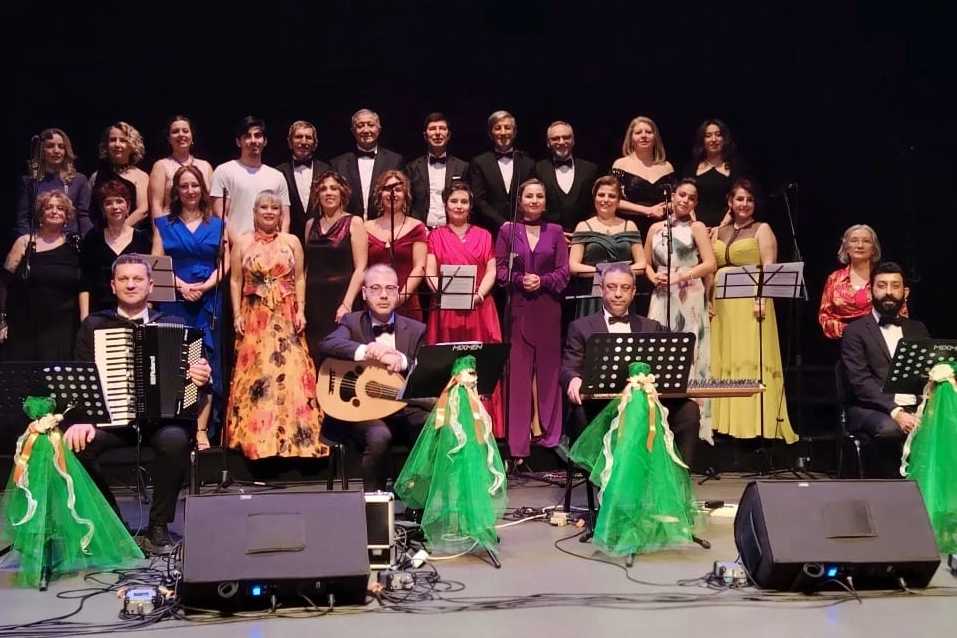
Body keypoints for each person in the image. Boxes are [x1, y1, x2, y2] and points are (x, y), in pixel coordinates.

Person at [66, 253, 213, 555]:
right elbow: (81, 380)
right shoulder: (94, 326)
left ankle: (158, 526)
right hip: (112, 423)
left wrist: (200, 376)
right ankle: (114, 526)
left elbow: (197, 385)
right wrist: (82, 420)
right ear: (113, 286)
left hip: (161, 422)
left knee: (175, 440)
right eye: (123, 279)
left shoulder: (174, 324)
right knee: (77, 446)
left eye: (137, 279)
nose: (130, 285)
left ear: (150, 286)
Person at [560, 263, 702, 468]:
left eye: (625, 288)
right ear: (601, 289)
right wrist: (573, 379)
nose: (618, 294)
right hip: (602, 406)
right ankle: (603, 481)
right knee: (582, 413)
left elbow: (669, 363)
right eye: (612, 287)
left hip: (645, 404)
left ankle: (676, 479)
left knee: (688, 410)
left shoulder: (651, 327)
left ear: (633, 291)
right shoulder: (581, 327)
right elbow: (569, 367)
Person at [226, 190, 327, 460]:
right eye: (264, 208)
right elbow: (235, 280)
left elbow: (300, 278)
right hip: (254, 316)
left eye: (274, 208)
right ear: (254, 212)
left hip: (286, 314)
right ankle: (259, 441)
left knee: (291, 373)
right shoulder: (243, 242)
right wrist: (236, 315)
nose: (269, 212)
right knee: (257, 374)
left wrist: (301, 309)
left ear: (281, 213)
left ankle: (296, 441)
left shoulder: (291, 242)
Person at [317, 264, 429, 492]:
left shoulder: (416, 329)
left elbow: (425, 374)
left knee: (432, 425)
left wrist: (402, 360)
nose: (384, 295)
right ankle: (374, 504)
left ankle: (417, 498)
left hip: (403, 408)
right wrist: (368, 350)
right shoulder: (351, 322)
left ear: (398, 292)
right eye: (376, 289)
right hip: (362, 411)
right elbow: (327, 344)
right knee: (379, 436)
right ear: (364, 293)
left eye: (390, 288)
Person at [709, 180, 795, 443]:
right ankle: (724, 422)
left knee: (749, 357)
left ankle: (755, 423)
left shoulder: (762, 229)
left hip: (750, 303)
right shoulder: (719, 231)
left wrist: (761, 300)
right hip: (722, 305)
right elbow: (711, 267)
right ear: (730, 202)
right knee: (725, 357)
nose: (744, 204)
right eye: (739, 199)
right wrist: (708, 299)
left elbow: (769, 268)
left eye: (749, 199)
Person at [495, 179, 569, 463]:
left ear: (545, 202)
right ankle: (518, 444)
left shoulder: (556, 231)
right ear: (520, 201)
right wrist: (519, 279)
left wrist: (543, 280)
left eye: (539, 196)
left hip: (548, 308)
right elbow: (500, 269)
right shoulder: (508, 230)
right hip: (519, 309)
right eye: (529, 196)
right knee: (518, 374)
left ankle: (550, 437)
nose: (535, 200)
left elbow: (564, 272)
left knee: (549, 372)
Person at [153, 165, 226, 448]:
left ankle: (203, 430)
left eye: (194, 185)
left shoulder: (218, 224)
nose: (190, 191)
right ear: (176, 191)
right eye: (184, 186)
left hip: (209, 300)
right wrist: (182, 286)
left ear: (202, 189)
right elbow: (157, 263)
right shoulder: (163, 224)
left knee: (207, 362)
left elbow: (225, 263)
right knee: (176, 361)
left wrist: (204, 287)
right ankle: (177, 426)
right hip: (175, 300)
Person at [424, 180, 505, 437]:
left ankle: (484, 428)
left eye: (464, 201)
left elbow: (492, 270)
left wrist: (479, 295)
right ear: (445, 205)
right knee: (448, 364)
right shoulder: (435, 236)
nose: (459, 206)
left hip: (479, 307)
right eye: (454, 201)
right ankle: (448, 428)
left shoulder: (484, 235)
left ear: (470, 206)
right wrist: (446, 294)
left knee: (481, 364)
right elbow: (429, 272)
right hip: (447, 309)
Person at [839, 261, 928, 478]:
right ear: (871, 292)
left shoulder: (917, 329)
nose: (888, 292)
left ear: (905, 292)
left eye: (895, 286)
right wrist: (896, 412)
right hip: (871, 409)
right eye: (881, 285)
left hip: (915, 406)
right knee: (889, 429)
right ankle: (889, 487)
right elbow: (860, 382)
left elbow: (926, 372)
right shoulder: (855, 331)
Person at [644, 178, 716, 439]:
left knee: (689, 351)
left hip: (688, 295)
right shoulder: (655, 228)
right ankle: (658, 421)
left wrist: (680, 276)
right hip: (662, 294)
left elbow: (710, 264)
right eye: (682, 195)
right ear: (673, 196)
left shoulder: (697, 227)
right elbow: (646, 263)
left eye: (691, 198)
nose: (685, 200)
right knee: (658, 351)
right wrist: (653, 276)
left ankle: (691, 421)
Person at [1, 191, 81, 361]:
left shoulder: (75, 245)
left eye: (60, 208)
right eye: (48, 207)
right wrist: (2, 320)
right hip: (25, 325)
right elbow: (5, 283)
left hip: (62, 326)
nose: (54, 211)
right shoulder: (24, 242)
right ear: (40, 213)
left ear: (67, 215)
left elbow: (83, 284)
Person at [304, 171, 368, 357]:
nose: (328, 193)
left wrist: (346, 304)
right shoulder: (310, 224)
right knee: (315, 353)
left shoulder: (354, 222)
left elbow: (361, 268)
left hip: (342, 299)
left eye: (333, 188)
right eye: (323, 189)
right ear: (317, 195)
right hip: (314, 303)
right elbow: (307, 267)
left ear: (343, 193)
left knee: (341, 355)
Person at [567, 175, 645, 319]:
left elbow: (642, 264)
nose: (606, 199)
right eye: (601, 195)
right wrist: (608, 272)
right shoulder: (583, 226)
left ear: (619, 201)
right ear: (594, 198)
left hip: (622, 294)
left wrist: (615, 274)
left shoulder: (630, 226)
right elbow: (573, 266)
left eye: (612, 196)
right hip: (593, 295)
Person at [210, 116, 290, 245]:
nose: (253, 140)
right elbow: (220, 215)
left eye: (258, 136)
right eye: (247, 136)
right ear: (238, 142)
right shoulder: (224, 171)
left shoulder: (277, 176)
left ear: (265, 141)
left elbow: (284, 218)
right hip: (237, 248)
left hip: (272, 249)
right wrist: (242, 246)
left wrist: (280, 246)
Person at [79, 180, 152, 319]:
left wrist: (147, 316)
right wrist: (85, 319)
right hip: (99, 312)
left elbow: (148, 281)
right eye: (108, 203)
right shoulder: (93, 238)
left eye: (119, 201)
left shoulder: (142, 239)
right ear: (102, 209)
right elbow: (85, 282)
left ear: (128, 206)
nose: (115, 207)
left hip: (134, 312)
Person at [818, 224, 905, 339]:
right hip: (843, 341)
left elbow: (901, 312)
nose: (860, 245)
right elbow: (824, 316)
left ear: (873, 248)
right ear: (846, 247)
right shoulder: (834, 279)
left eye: (866, 241)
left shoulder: (885, 276)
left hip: (881, 339)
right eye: (854, 241)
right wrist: (853, 332)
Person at [365, 170, 427, 321]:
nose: (393, 193)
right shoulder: (366, 227)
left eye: (398, 189)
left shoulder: (416, 226)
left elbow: (420, 267)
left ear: (406, 195)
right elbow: (362, 267)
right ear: (380, 194)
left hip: (407, 303)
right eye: (387, 189)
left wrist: (399, 298)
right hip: (374, 302)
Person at [469, 110, 536, 235]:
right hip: (489, 230)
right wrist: (503, 223)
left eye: (507, 128)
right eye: (498, 128)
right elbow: (478, 200)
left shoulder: (527, 163)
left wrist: (515, 223)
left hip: (522, 229)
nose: (503, 132)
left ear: (514, 132)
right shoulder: (479, 162)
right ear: (491, 133)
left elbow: (531, 195)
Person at [15, 127, 91, 237]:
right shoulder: (29, 181)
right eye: (50, 146)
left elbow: (84, 216)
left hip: (70, 241)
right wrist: (27, 240)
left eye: (61, 147)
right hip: (39, 240)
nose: (56, 151)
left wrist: (90, 240)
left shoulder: (79, 180)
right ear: (42, 151)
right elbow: (22, 219)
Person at [331, 109, 405, 219]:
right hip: (348, 225)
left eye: (370, 125)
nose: (366, 130)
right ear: (353, 131)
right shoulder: (338, 163)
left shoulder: (395, 160)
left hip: (384, 225)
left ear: (379, 129)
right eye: (360, 126)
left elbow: (402, 197)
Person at [678, 119, 751, 229]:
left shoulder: (737, 166)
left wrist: (721, 227)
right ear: (702, 140)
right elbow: (686, 199)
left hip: (729, 226)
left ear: (724, 139)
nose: (713, 139)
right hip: (695, 227)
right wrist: (696, 226)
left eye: (718, 135)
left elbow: (739, 199)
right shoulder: (691, 167)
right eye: (708, 136)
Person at [610, 116, 674, 238]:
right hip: (629, 229)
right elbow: (613, 200)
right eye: (638, 132)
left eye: (648, 132)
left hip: (661, 230)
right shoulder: (620, 164)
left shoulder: (667, 167)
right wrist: (647, 210)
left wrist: (663, 208)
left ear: (655, 138)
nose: (644, 136)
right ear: (631, 139)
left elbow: (676, 200)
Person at [534, 121, 600, 234]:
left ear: (573, 140)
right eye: (555, 138)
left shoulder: (590, 169)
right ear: (548, 143)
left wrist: (584, 232)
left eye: (566, 137)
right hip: (547, 235)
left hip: (584, 236)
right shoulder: (537, 169)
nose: (561, 142)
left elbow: (596, 205)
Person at [406, 112, 470, 229]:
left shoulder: (462, 167)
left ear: (448, 135)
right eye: (432, 129)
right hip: (421, 230)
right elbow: (408, 202)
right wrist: (418, 227)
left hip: (453, 229)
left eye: (442, 128)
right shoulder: (412, 168)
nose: (437, 133)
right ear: (425, 136)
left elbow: (468, 201)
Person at [147, 115, 214, 219]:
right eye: (175, 131)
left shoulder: (206, 166)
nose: (181, 134)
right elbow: (156, 205)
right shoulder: (161, 166)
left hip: (201, 224)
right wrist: (158, 228)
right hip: (171, 224)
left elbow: (210, 204)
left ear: (192, 136)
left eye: (185, 131)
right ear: (169, 139)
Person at [275, 120, 332, 240]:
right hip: (289, 237)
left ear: (315, 143)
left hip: (322, 238)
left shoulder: (326, 170)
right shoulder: (279, 172)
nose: (304, 142)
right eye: (299, 137)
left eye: (308, 138)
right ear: (290, 143)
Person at [88, 122, 150, 231]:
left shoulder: (141, 176)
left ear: (132, 145)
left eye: (123, 140)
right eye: (112, 140)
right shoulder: (96, 176)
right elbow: (89, 210)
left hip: (131, 235)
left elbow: (143, 210)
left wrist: (119, 231)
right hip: (101, 236)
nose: (117, 144)